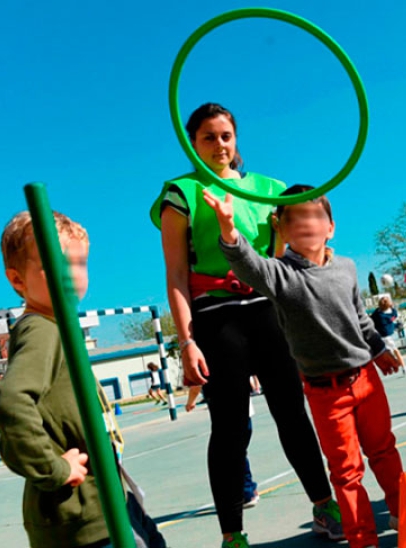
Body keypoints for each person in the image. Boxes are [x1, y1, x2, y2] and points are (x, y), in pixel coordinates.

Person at [150, 102, 341, 548]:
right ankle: (232, 533)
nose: (219, 144)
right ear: (191, 143)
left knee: (293, 414)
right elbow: (176, 275)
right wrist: (186, 342)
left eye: (226, 136)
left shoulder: (270, 189)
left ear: (236, 139)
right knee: (230, 427)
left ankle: (323, 504)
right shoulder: (180, 193)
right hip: (216, 318)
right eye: (208, 137)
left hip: (267, 311)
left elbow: (284, 260)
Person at [207, 183, 405, 548]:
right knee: (346, 472)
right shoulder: (280, 275)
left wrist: (380, 348)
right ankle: (362, 538)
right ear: (280, 229)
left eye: (315, 215)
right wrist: (228, 228)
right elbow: (246, 263)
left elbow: (361, 318)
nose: (306, 223)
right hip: (326, 393)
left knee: (383, 450)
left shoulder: (346, 267)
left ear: (330, 227)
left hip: (366, 378)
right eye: (294, 217)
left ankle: (402, 514)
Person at [0, 211, 166, 548]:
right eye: (57, 264)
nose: (72, 274)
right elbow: (12, 405)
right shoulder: (41, 330)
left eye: (79, 262)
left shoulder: (57, 327)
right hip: (84, 510)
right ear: (18, 280)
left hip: (107, 497)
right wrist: (55, 469)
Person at [186, 386, 259, 509]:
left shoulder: (210, 367)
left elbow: (196, 384)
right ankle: (250, 488)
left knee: (231, 455)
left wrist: (190, 401)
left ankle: (246, 493)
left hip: (227, 415)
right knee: (239, 453)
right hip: (245, 413)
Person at [371, 296, 406, 374]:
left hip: (380, 335)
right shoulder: (391, 313)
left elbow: (372, 319)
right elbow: (394, 314)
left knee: (385, 352)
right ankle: (403, 367)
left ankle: (396, 365)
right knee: (395, 351)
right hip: (387, 336)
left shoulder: (377, 314)